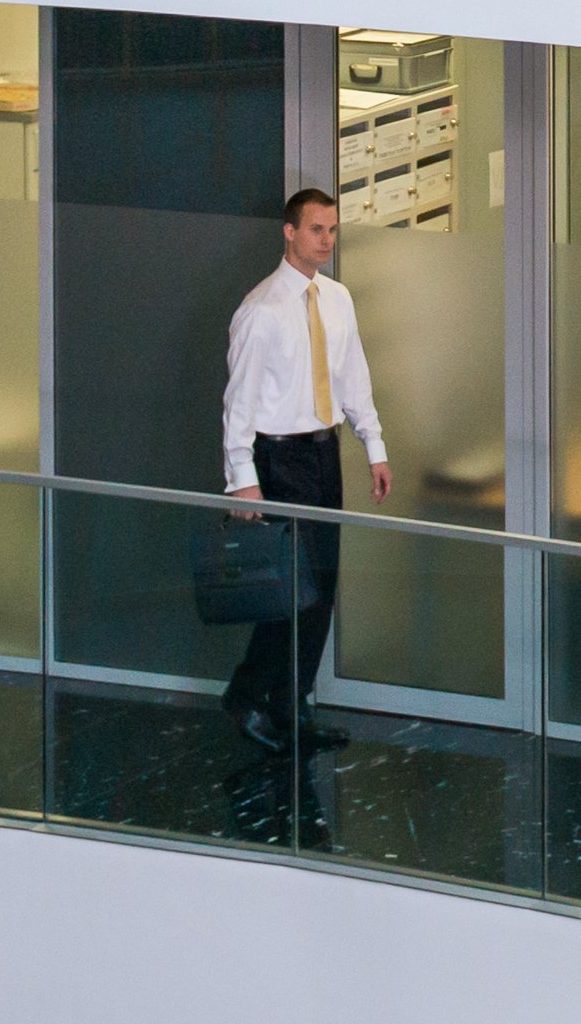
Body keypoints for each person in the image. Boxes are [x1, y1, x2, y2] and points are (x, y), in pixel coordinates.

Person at [217, 185, 391, 760]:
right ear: (289, 232)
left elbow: (353, 378)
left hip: (322, 453)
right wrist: (243, 479)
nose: (327, 240)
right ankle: (246, 696)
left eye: (333, 230)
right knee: (287, 589)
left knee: (320, 590)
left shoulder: (337, 299)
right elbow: (238, 403)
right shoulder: (261, 310)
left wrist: (374, 446)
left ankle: (292, 705)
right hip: (278, 459)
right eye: (317, 229)